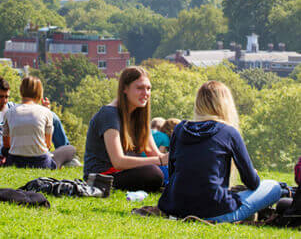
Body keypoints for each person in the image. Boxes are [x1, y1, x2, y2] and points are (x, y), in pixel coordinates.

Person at [158, 81, 283, 223]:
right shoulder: (229, 132)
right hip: (215, 211)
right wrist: (253, 173)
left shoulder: (180, 129)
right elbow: (252, 183)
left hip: (175, 207)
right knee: (274, 187)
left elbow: (174, 172)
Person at [83, 66, 168, 192]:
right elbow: (118, 161)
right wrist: (160, 160)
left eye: (148, 88)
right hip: (104, 176)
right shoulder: (109, 114)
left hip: (127, 173)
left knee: (173, 171)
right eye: (139, 88)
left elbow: (155, 155)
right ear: (124, 89)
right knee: (153, 173)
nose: (146, 93)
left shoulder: (139, 116)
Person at [3, 76, 75, 169]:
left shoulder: (9, 112)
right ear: (39, 93)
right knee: (70, 149)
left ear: (21, 91)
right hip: (41, 163)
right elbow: (47, 145)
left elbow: (6, 144)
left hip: (15, 162)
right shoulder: (46, 112)